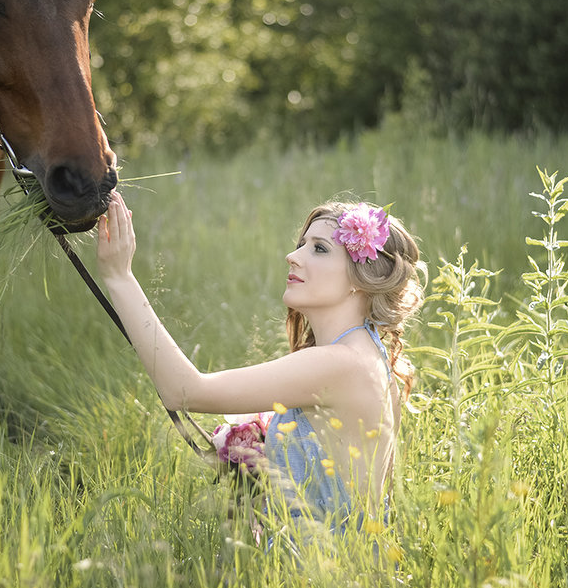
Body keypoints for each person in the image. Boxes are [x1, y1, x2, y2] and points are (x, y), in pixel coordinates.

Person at [95, 192, 425, 541]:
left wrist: (120, 276)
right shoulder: (368, 355)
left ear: (362, 278)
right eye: (302, 244)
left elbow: (185, 391)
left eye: (319, 248)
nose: (292, 256)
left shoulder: (339, 363)